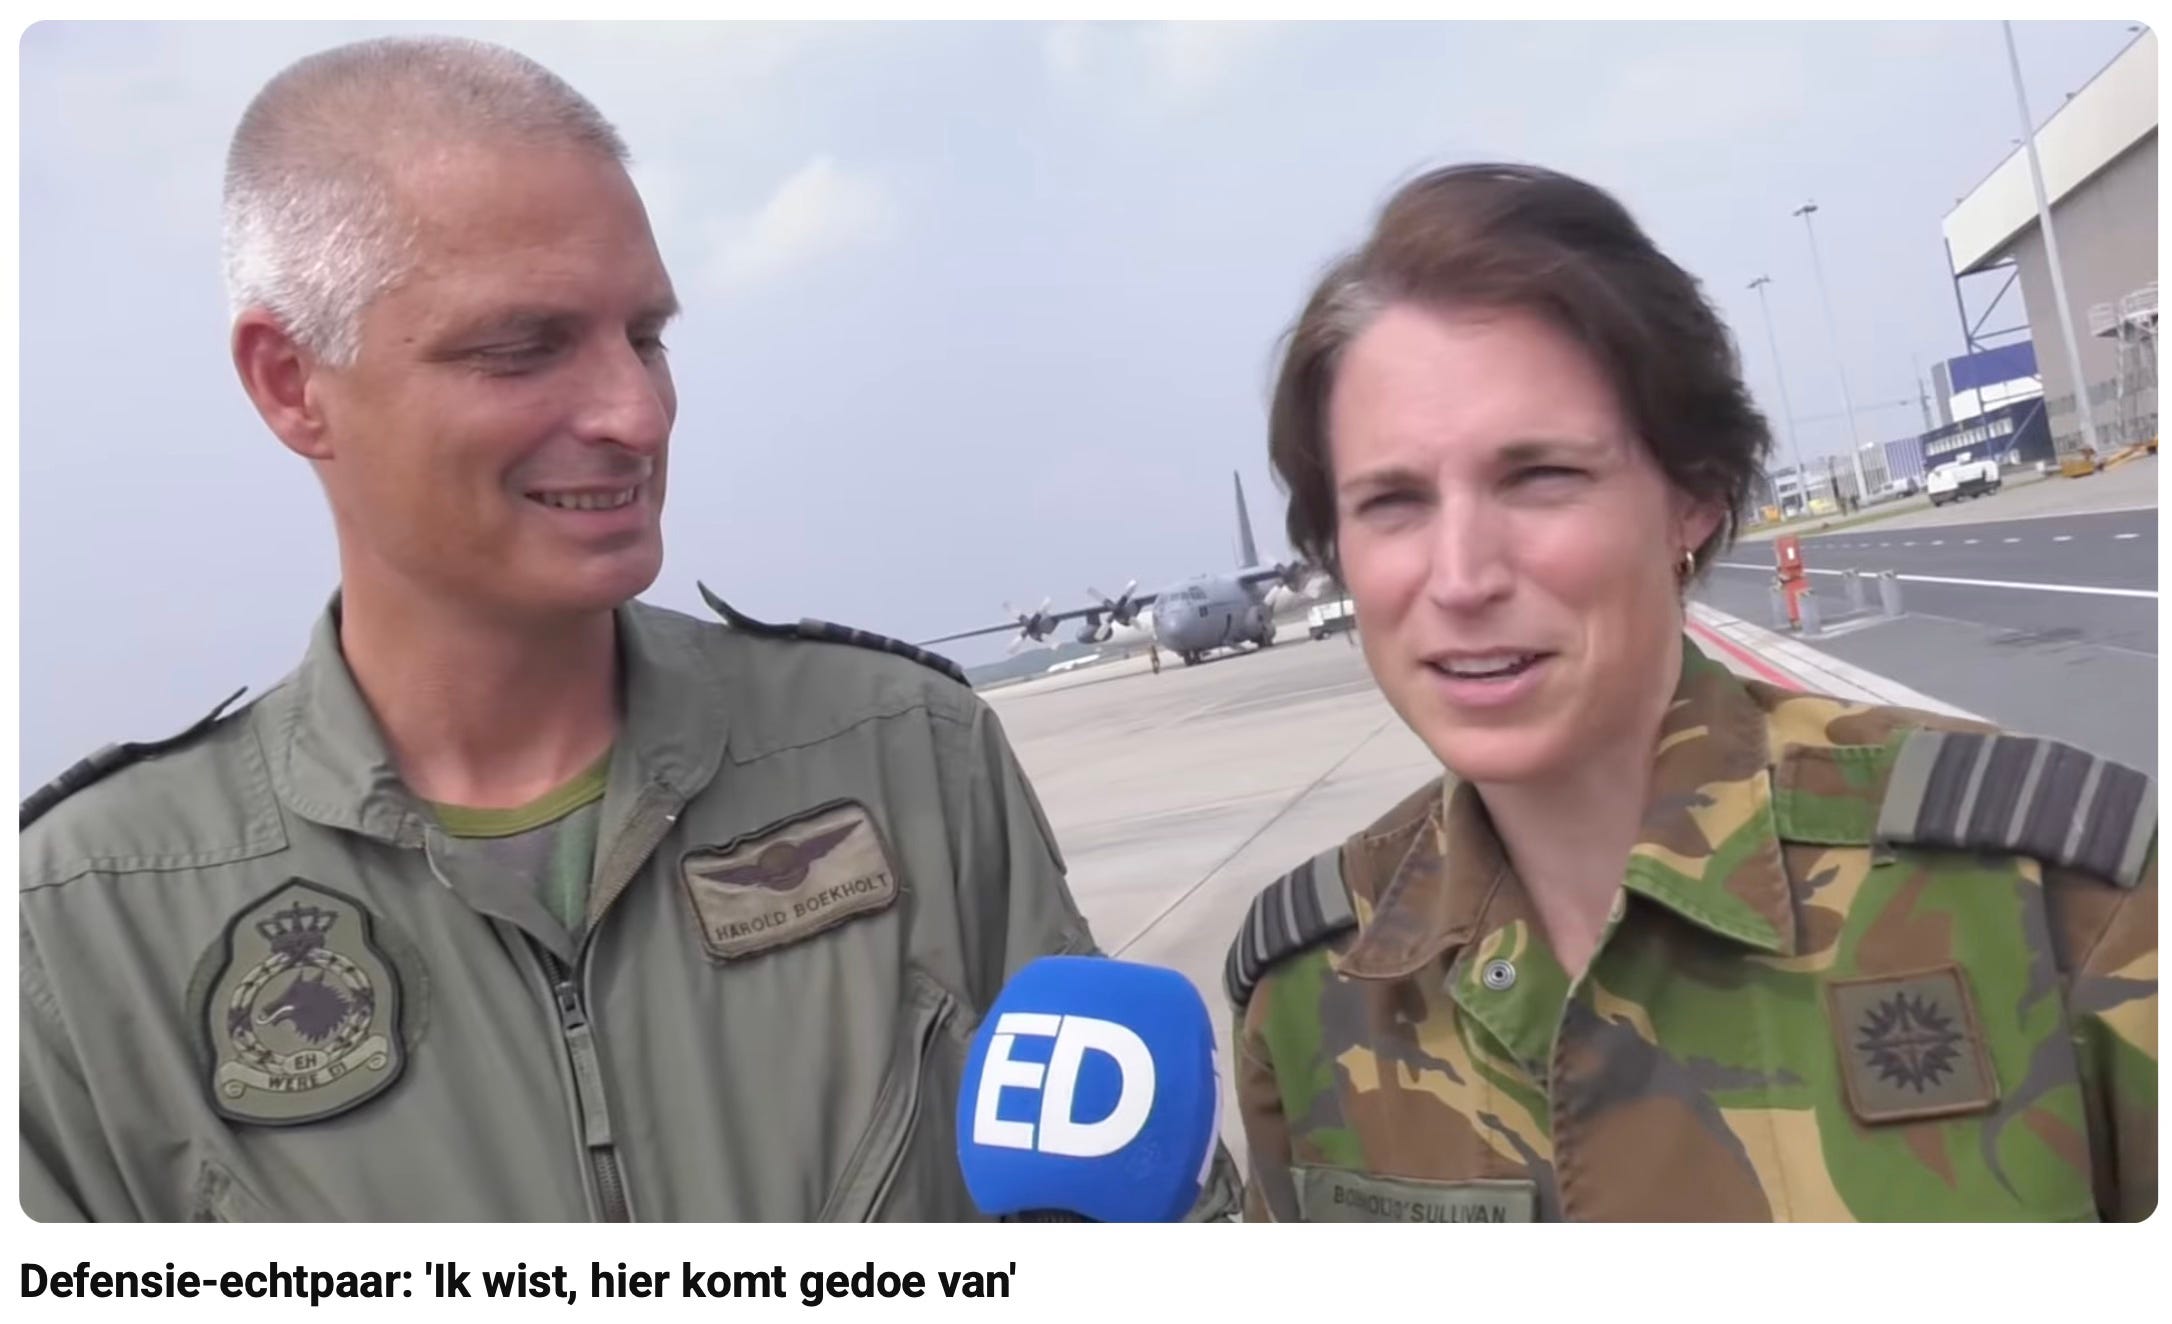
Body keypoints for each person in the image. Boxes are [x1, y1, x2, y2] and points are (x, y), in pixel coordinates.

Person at [20, 36, 1240, 1223]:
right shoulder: (82, 931)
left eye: (647, 337)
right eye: (520, 349)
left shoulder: (908, 758)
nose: (638, 412)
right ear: (291, 383)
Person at [1224, 163, 2155, 1222]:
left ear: (1695, 499)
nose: (1461, 576)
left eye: (1540, 477)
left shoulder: (2053, 904)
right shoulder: (1312, 995)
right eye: (1392, 501)